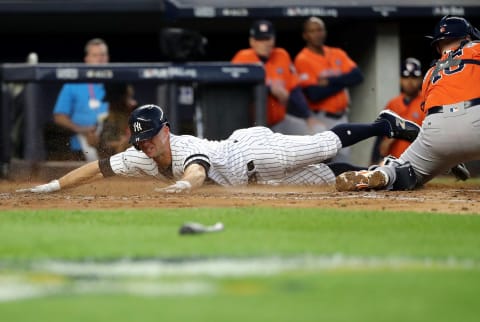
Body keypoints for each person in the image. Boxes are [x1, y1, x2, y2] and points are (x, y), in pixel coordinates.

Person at [16, 104, 420, 194]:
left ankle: (383, 124)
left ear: (166, 130)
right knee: (331, 180)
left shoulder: (184, 144)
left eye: (153, 136)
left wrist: (184, 188)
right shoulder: (139, 156)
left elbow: (195, 170)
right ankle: (393, 167)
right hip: (258, 181)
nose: (148, 144)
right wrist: (53, 187)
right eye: (142, 139)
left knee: (321, 144)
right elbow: (97, 169)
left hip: (254, 153)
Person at [336, 15, 480, 191]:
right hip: (476, 119)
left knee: (404, 169)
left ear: (438, 45)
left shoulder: (431, 74)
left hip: (437, 132)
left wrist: (449, 156)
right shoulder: (477, 48)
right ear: (468, 37)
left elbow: (450, 121)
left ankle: (383, 174)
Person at [232, 19, 321, 135]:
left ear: (273, 40)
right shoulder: (242, 57)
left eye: (267, 39)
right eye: (260, 40)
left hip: (279, 121)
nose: (264, 43)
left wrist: (308, 117)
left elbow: (294, 90)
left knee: (316, 131)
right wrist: (269, 88)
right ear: (252, 41)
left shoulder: (281, 55)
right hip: (251, 127)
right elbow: (237, 88)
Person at [294, 16, 364, 162]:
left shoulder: (337, 53)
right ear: (305, 35)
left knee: (344, 161)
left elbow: (358, 76)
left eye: (320, 30)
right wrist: (344, 81)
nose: (317, 34)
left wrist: (331, 81)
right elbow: (315, 94)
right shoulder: (303, 58)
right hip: (321, 119)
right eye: (312, 31)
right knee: (323, 161)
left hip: (342, 117)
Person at [52, 38, 110, 161]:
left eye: (103, 55)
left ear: (108, 58)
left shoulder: (117, 84)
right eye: (95, 55)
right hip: (79, 147)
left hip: (109, 145)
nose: (99, 59)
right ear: (87, 59)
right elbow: (59, 117)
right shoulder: (73, 84)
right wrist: (82, 130)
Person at [371, 57, 425, 163]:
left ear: (421, 79)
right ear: (400, 79)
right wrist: (374, 159)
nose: (410, 81)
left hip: (420, 161)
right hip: (394, 161)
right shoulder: (393, 103)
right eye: (406, 77)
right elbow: (380, 135)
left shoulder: (427, 101)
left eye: (414, 77)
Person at [97, 83, 138, 158]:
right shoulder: (109, 119)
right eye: (112, 102)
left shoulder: (139, 114)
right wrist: (121, 144)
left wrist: (127, 143)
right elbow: (105, 143)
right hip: (115, 159)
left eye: (115, 102)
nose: (112, 106)